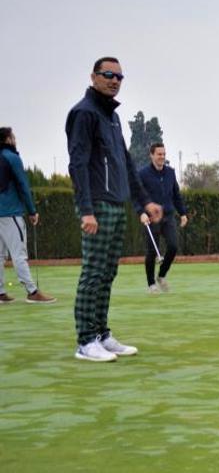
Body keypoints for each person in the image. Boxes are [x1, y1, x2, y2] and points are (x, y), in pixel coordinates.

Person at [67, 56, 163, 362]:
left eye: (120, 76)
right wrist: (86, 210)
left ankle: (102, 334)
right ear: (94, 76)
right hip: (96, 204)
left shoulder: (112, 117)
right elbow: (78, 163)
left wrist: (144, 200)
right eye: (108, 74)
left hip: (116, 203)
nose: (114, 80)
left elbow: (125, 163)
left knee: (108, 272)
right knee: (93, 273)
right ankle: (85, 341)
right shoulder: (84, 114)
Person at [0, 127, 56, 304]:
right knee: (19, 254)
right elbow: (23, 186)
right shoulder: (12, 158)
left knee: (0, 255)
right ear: (8, 139)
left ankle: (0, 292)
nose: (15, 139)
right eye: (13, 137)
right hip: (10, 213)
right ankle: (32, 291)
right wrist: (32, 211)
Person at [138, 142, 188, 293]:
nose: (162, 157)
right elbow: (138, 196)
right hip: (151, 217)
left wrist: (183, 213)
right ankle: (151, 284)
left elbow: (176, 195)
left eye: (164, 154)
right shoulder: (143, 174)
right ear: (152, 155)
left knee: (173, 246)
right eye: (159, 154)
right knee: (152, 251)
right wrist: (141, 212)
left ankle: (161, 275)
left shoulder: (170, 173)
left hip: (168, 216)